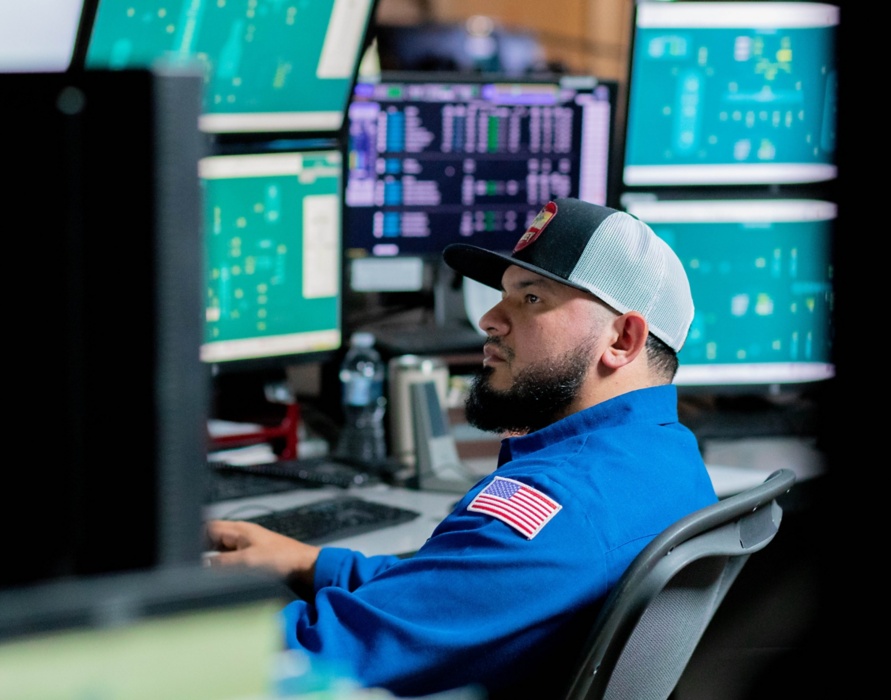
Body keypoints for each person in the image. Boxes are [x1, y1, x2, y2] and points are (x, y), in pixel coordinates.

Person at [206, 197, 718, 698]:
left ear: (623, 340)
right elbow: (465, 591)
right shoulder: (669, 458)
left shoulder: (559, 507)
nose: (491, 319)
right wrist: (314, 563)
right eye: (504, 293)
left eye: (531, 298)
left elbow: (314, 660)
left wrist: (158, 620)